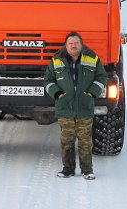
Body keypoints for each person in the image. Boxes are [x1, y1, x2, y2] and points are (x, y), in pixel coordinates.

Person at [44, 31, 107, 180]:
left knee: (85, 141)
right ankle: (68, 169)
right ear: (66, 45)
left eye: (76, 43)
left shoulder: (92, 58)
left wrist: (93, 93)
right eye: (70, 43)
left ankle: (87, 170)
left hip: (84, 106)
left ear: (81, 44)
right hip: (65, 107)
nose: (74, 45)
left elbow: (102, 76)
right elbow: (48, 80)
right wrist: (57, 93)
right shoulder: (56, 60)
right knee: (67, 141)